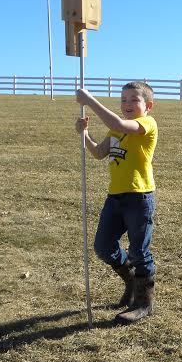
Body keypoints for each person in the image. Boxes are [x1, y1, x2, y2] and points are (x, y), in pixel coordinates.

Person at [75, 82, 158, 322]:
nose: (127, 104)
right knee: (103, 246)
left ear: (148, 106)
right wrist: (85, 135)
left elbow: (118, 123)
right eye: (123, 100)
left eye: (134, 100)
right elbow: (99, 153)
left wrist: (90, 100)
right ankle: (131, 280)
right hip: (115, 197)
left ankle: (144, 303)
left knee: (139, 251)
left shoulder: (147, 124)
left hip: (139, 197)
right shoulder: (114, 132)